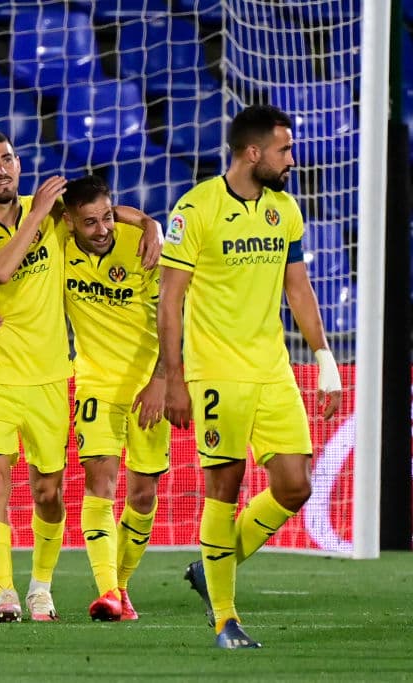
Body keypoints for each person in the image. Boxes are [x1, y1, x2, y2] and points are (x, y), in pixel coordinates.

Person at [0, 131, 161, 623]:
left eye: (7, 159)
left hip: (48, 377)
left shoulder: (52, 213)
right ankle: (5, 594)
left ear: (18, 164)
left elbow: (99, 216)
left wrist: (148, 222)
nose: (1, 169)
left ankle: (40, 588)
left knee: (48, 492)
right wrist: (41, 214)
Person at [157, 104, 343, 649]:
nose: (292, 160)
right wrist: (173, 378)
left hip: (272, 368)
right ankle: (224, 619)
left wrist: (324, 358)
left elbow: (298, 287)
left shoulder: (284, 210)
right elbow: (171, 300)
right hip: (217, 373)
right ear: (253, 152)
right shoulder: (197, 209)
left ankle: (210, 566)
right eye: (284, 150)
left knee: (294, 485)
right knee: (225, 488)